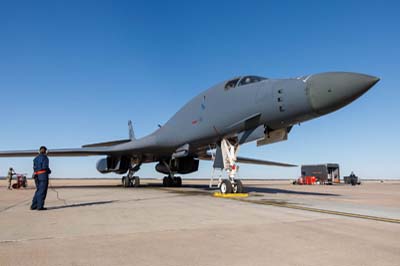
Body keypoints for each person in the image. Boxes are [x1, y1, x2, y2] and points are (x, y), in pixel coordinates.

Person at [30, 146, 51, 211]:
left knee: (38, 190)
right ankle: (40, 206)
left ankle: (34, 206)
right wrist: (49, 171)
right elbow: (45, 167)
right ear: (45, 151)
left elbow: (34, 168)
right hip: (43, 175)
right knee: (42, 191)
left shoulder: (35, 158)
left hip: (36, 175)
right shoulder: (45, 158)